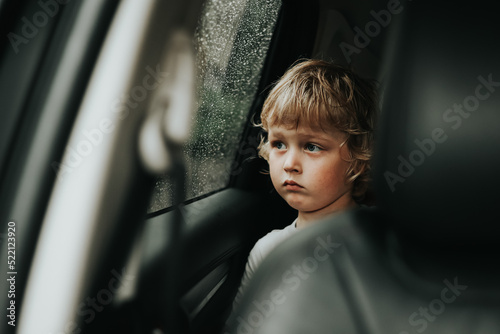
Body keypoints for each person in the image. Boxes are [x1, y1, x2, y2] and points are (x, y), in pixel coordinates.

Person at [231, 58, 378, 311]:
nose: (289, 164)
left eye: (312, 146)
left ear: (359, 157)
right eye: (279, 144)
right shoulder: (268, 251)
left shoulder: (383, 244)